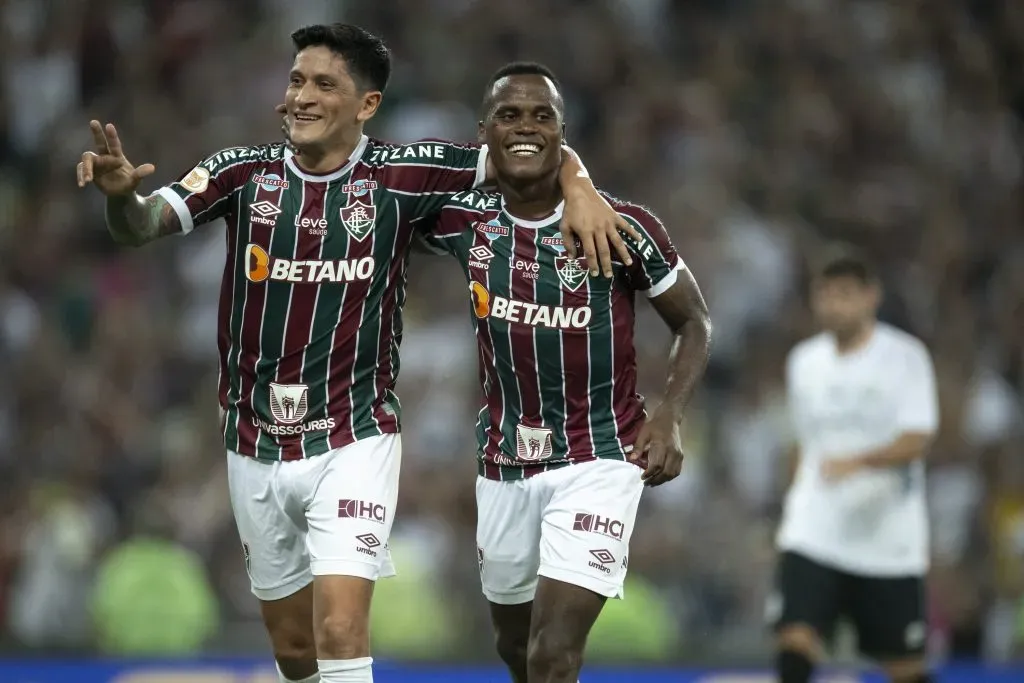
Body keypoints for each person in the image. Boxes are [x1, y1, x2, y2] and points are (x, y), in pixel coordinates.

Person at [75, 24, 631, 683]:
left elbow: (524, 146)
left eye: (323, 84)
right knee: (293, 649)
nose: (300, 96)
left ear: (366, 104)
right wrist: (120, 200)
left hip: (354, 436)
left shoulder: (401, 176)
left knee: (339, 625)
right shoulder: (239, 172)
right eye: (295, 80)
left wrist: (581, 182)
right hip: (253, 438)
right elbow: (142, 225)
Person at [418, 63, 712, 683]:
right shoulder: (461, 219)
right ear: (484, 133)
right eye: (510, 115)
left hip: (600, 458)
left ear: (562, 132)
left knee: (554, 654)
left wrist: (668, 415)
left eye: (542, 116)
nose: (526, 127)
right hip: (503, 464)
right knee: (516, 649)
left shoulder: (621, 226)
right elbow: (379, 197)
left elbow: (694, 322)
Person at [770, 248, 939, 683]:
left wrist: (860, 461)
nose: (834, 305)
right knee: (794, 642)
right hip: (816, 530)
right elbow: (802, 441)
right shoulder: (803, 361)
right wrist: (794, 498)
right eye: (825, 295)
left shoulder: (905, 358)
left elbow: (918, 438)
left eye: (845, 295)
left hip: (887, 540)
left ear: (871, 297)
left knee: (905, 669)